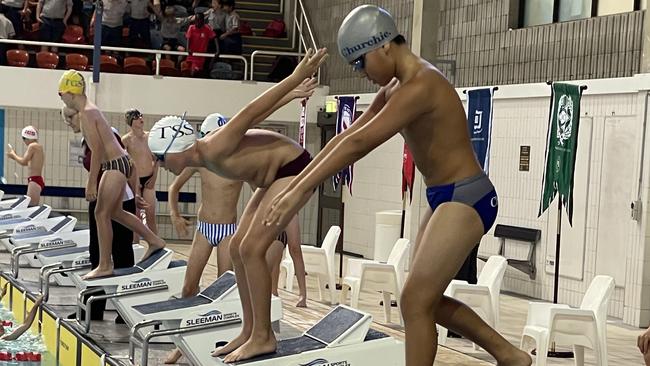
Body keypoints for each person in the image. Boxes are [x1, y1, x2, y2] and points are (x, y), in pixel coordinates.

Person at [262, 6, 532, 366]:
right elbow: (349, 135)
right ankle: (509, 355)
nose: (362, 74)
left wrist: (297, 191)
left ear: (384, 46)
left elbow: (362, 144)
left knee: (415, 301)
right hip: (443, 197)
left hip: (469, 196)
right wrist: (300, 181)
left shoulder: (422, 83)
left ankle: (508, 355)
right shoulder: (394, 86)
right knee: (423, 300)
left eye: (360, 63)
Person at [146, 51, 324, 362]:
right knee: (240, 247)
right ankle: (249, 330)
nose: (158, 165)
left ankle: (263, 336)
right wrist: (292, 93)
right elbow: (253, 118)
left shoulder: (213, 145)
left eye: (160, 159)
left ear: (176, 150)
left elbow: (250, 110)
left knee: (252, 249)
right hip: (272, 178)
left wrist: (294, 80)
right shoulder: (201, 157)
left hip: (293, 168)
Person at [58, 69, 166, 279]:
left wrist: (91, 183)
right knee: (115, 212)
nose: (62, 100)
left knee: (101, 213)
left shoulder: (87, 113)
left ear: (71, 93)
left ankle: (105, 264)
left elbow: (97, 149)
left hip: (115, 165)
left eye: (62, 95)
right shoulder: (90, 110)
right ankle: (154, 240)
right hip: (119, 163)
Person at [78, 128, 137, 320]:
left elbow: (131, 165)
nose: (70, 123)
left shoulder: (107, 139)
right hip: (101, 197)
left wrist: (134, 194)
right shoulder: (88, 141)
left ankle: (126, 312)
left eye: (70, 118)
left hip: (120, 199)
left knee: (122, 256)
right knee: (97, 253)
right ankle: (94, 309)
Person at [122, 108, 158, 236]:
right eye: (137, 117)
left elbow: (157, 160)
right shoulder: (126, 140)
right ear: (131, 121)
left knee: (151, 217)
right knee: (135, 218)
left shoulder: (150, 137)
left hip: (148, 181)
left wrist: (153, 179)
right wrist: (129, 181)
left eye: (141, 116)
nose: (141, 119)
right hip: (133, 183)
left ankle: (156, 247)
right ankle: (134, 246)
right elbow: (123, 163)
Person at [269, 214, 308, 308]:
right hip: (272, 209)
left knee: (295, 250)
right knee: (275, 252)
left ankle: (303, 294)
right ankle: (273, 292)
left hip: (289, 209)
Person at [7, 126, 45, 206]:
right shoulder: (38, 147)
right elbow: (26, 163)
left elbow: (23, 161)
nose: (24, 141)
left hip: (34, 181)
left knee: (31, 207)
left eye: (24, 138)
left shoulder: (32, 146)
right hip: (36, 180)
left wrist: (13, 155)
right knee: (31, 206)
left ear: (28, 137)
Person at [185, 11, 215, 76]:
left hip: (201, 56)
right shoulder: (191, 27)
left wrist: (218, 51)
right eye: (196, 20)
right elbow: (188, 38)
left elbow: (214, 37)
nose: (197, 22)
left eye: (199, 20)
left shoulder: (207, 28)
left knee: (195, 72)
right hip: (191, 54)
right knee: (189, 71)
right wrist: (187, 49)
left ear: (202, 21)